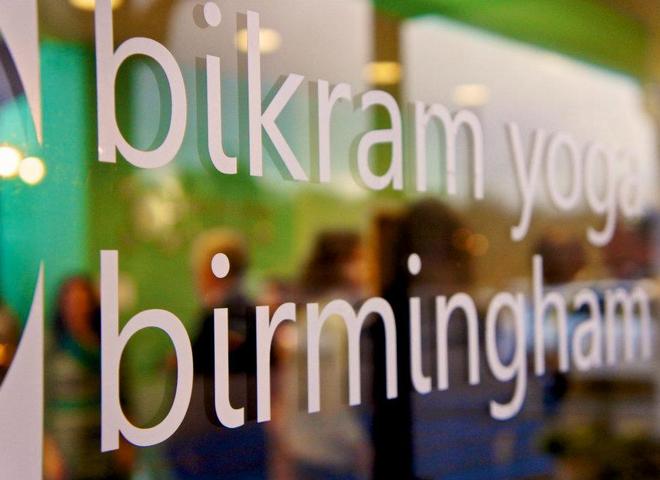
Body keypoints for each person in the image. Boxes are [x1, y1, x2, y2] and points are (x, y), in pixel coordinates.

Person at [273, 230, 372, 480]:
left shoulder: (319, 314)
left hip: (309, 448)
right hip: (328, 454)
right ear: (342, 264)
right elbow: (329, 397)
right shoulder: (331, 317)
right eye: (359, 259)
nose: (366, 268)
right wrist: (358, 443)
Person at [48, 275, 130, 480]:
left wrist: (126, 439)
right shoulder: (54, 348)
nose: (77, 309)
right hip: (67, 443)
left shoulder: (107, 343)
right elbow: (43, 397)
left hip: (104, 439)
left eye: (82, 302)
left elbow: (122, 394)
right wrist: (48, 449)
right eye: (72, 303)